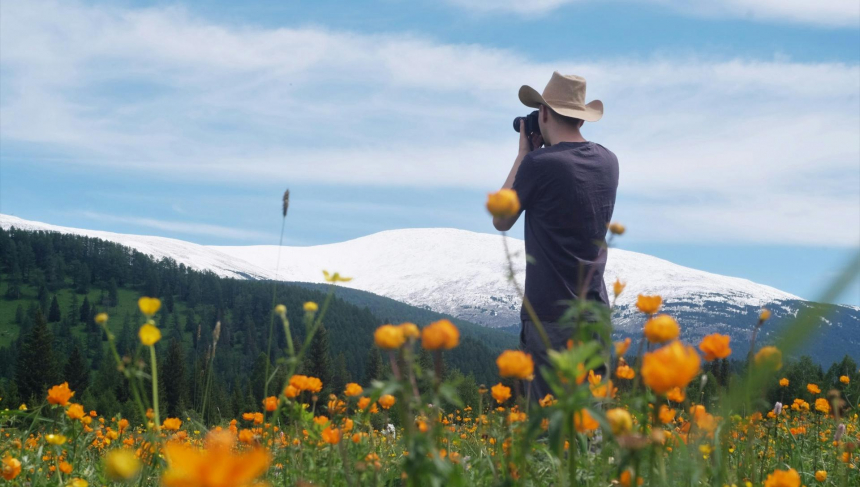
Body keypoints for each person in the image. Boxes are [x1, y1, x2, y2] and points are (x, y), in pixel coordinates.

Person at [493, 72, 619, 402]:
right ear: (581, 116)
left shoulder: (539, 163)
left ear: (544, 113)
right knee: (589, 426)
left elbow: (501, 218)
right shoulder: (609, 161)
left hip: (549, 316)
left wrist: (524, 154)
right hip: (594, 313)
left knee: (548, 433)